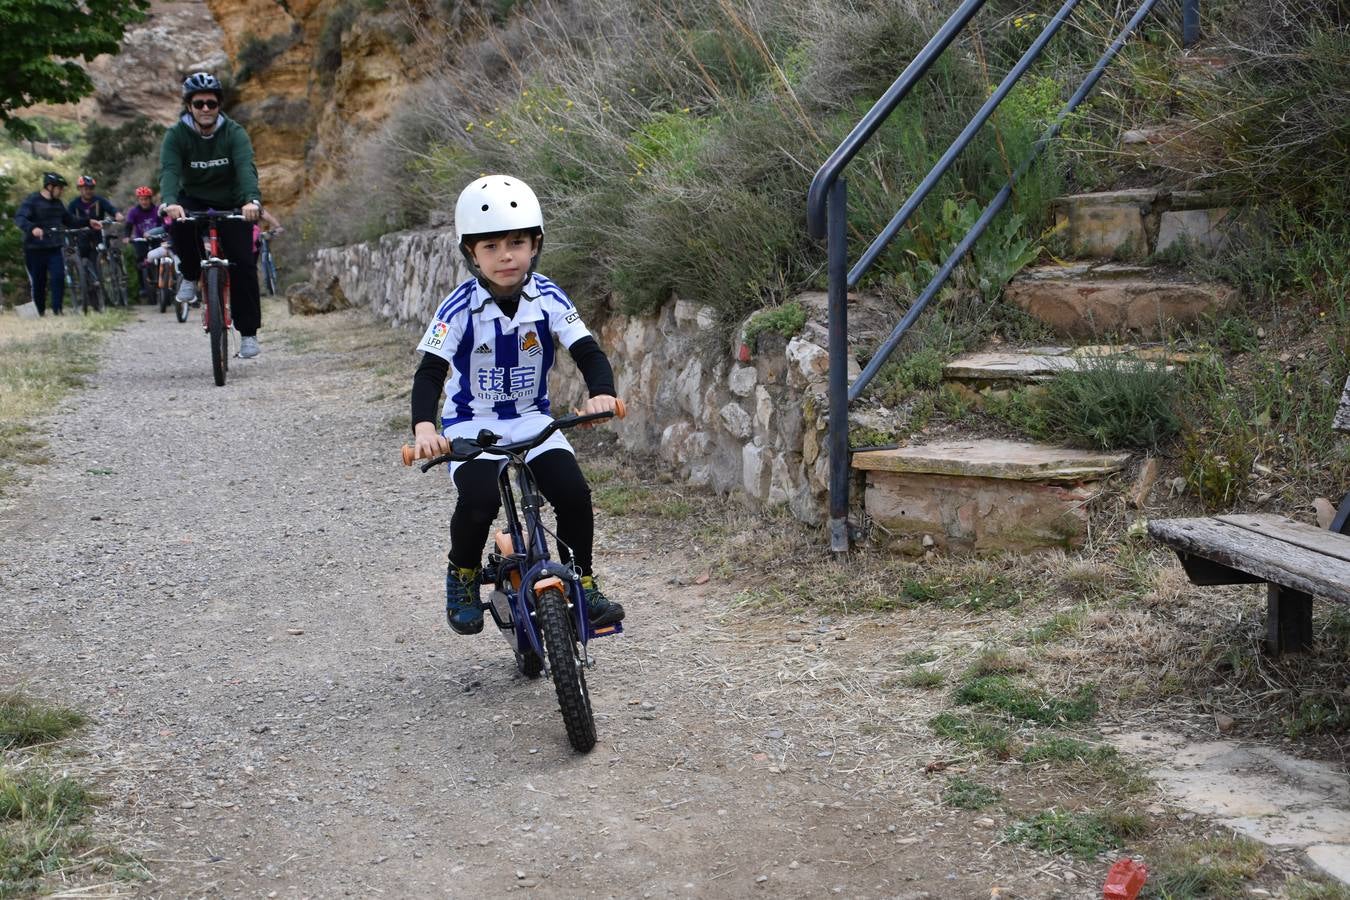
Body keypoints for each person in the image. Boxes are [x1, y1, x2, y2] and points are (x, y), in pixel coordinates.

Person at [409, 175, 626, 635]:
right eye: (490, 246)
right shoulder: (458, 307)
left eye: (516, 242)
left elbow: (586, 348)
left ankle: (583, 580)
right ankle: (463, 576)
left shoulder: (548, 296)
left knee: (574, 495)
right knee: (479, 500)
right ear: (471, 253)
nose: (505, 255)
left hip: (533, 420)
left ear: (536, 244)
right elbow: (430, 372)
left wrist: (600, 391)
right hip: (471, 423)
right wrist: (425, 429)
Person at [159, 71, 264, 359]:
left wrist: (251, 201)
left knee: (243, 264)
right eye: (199, 104)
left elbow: (245, 168)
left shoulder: (234, 133)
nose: (205, 109)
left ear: (219, 105)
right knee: (179, 223)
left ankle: (249, 335)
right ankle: (191, 276)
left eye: (211, 103)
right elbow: (169, 171)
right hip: (192, 199)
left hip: (232, 202)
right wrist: (169, 201)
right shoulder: (176, 135)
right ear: (189, 106)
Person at [13, 172, 102, 316]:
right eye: (59, 188)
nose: (61, 191)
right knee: (39, 282)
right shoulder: (32, 200)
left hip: (54, 247)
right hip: (34, 249)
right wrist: (32, 228)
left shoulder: (58, 204)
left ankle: (57, 310)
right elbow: (19, 218)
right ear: (49, 187)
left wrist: (88, 222)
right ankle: (40, 312)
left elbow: (70, 220)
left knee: (58, 277)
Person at [67, 175, 123, 269]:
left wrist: (117, 214)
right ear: (80, 189)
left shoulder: (99, 200)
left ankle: (110, 271)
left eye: (91, 188)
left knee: (102, 249)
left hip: (98, 232)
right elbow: (68, 218)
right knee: (83, 252)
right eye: (86, 188)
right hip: (82, 234)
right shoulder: (74, 204)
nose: (89, 191)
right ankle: (85, 272)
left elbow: (110, 208)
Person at [125, 186, 165, 301]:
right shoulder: (134, 212)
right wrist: (127, 237)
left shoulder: (157, 210)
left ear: (150, 199)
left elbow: (163, 224)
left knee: (161, 258)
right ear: (138, 200)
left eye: (146, 199)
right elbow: (128, 225)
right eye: (141, 199)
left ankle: (165, 281)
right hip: (141, 240)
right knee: (140, 261)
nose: (144, 201)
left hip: (156, 239)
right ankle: (143, 287)